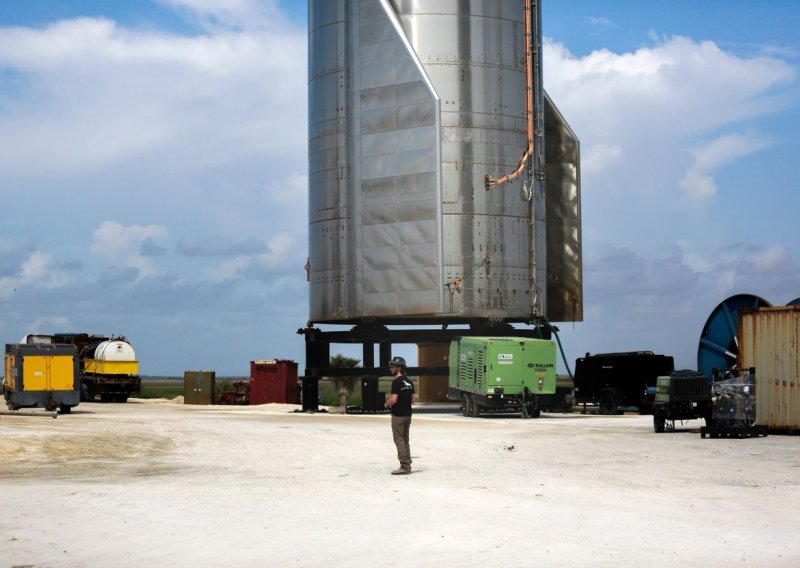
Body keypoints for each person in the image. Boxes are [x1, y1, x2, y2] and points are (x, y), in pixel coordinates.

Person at [384, 356, 415, 475]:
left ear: (399, 367)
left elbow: (394, 399)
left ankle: (404, 466)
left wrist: (386, 404)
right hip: (408, 414)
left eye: (392, 366)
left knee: (399, 440)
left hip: (398, 415)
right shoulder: (409, 381)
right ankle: (408, 464)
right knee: (405, 440)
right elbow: (413, 399)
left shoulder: (396, 382)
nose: (390, 368)